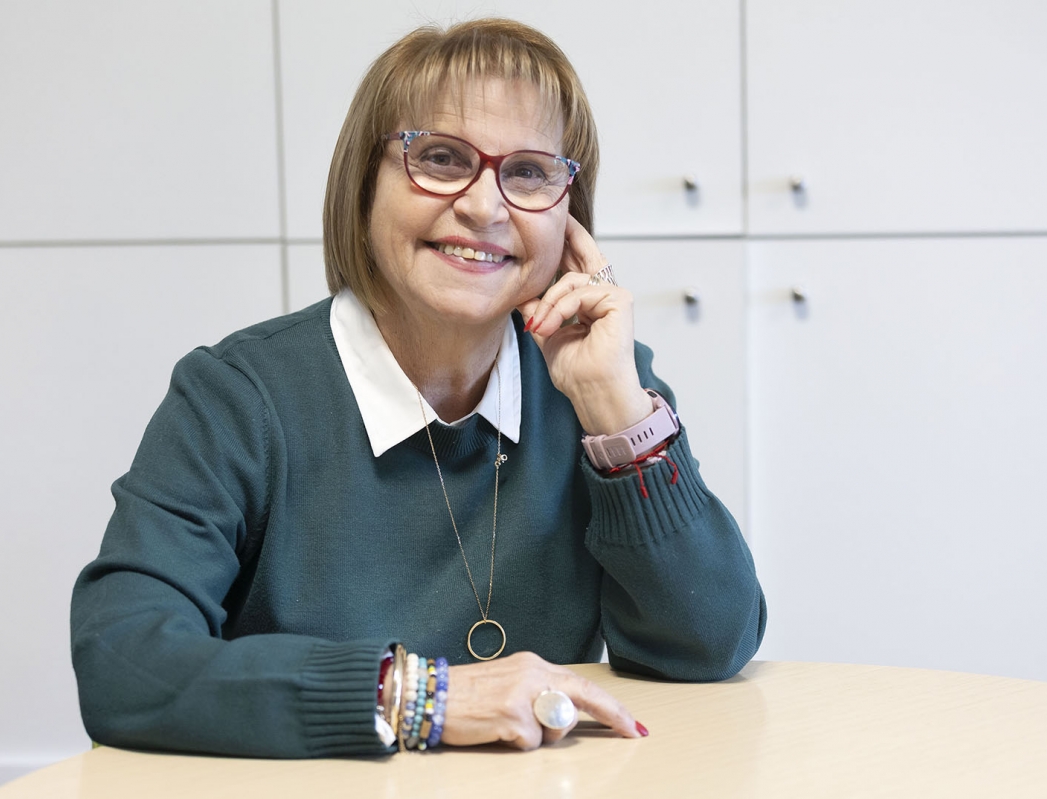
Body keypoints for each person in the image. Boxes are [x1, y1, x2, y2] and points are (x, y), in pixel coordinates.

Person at [71, 17, 765, 758]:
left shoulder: (597, 385)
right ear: (363, 185)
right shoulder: (236, 397)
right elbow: (125, 659)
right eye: (440, 157)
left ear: (571, 221)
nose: (485, 206)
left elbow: (708, 643)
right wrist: (416, 695)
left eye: (529, 172)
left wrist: (618, 420)